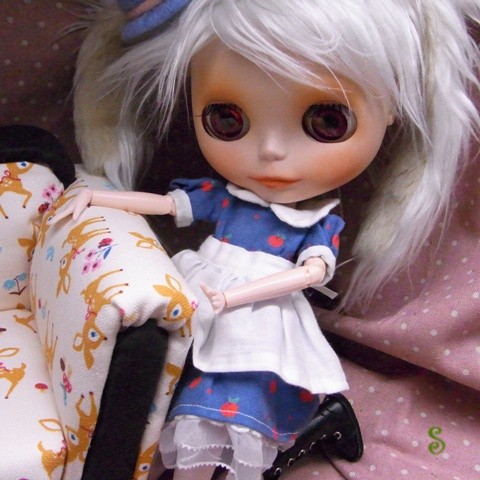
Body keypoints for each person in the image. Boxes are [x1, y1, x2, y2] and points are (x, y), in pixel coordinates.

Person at [59, 1, 480, 478]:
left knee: (230, 408)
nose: (271, 151)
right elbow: (166, 204)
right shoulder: (221, 198)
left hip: (258, 321)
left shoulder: (315, 224)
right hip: (201, 301)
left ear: (391, 112)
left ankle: (290, 435)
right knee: (170, 395)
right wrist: (98, 195)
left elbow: (309, 274)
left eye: (327, 122)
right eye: (227, 120)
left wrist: (234, 297)